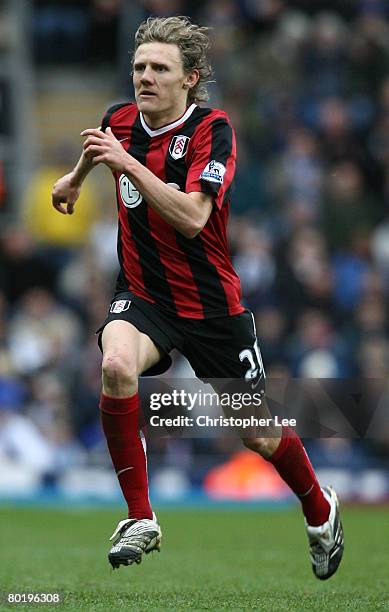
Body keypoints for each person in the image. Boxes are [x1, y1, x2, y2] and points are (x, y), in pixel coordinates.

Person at [51, 16, 344, 579]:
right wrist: (74, 177)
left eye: (160, 68)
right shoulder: (117, 119)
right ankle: (140, 517)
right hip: (143, 297)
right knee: (115, 364)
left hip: (212, 308)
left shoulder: (214, 130)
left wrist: (123, 162)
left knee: (258, 432)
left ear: (191, 78)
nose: (145, 77)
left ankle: (319, 508)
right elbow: (101, 146)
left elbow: (191, 218)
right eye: (139, 67)